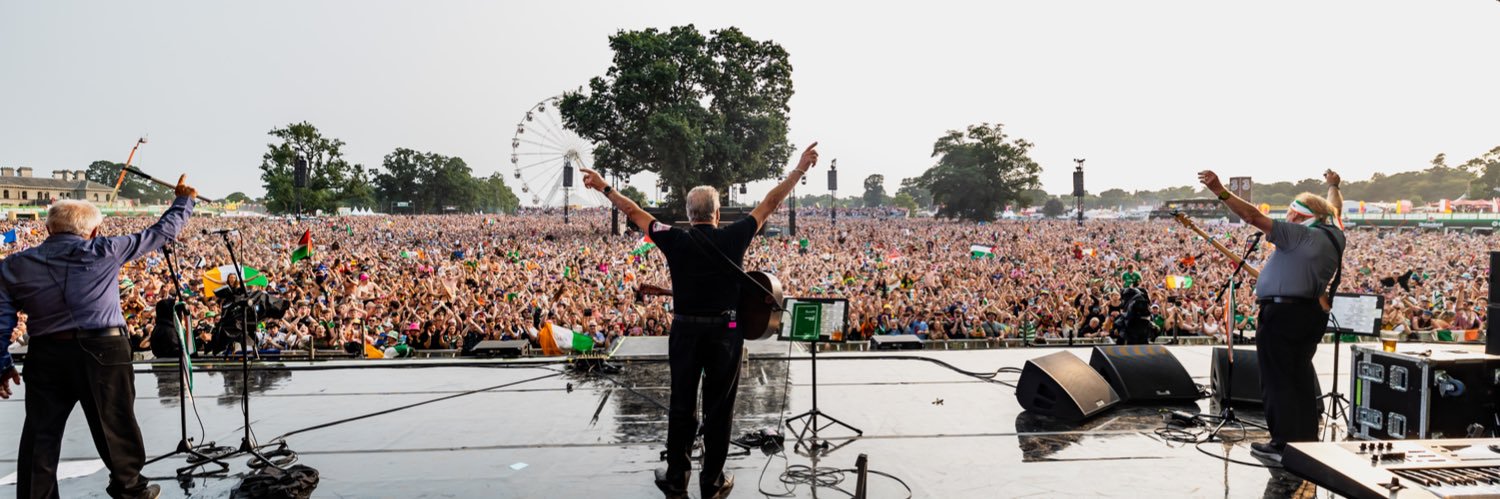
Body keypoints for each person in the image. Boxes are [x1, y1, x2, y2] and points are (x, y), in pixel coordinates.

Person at [581, 142, 819, 499]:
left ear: (689, 214)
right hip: (727, 331)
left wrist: (603, 185)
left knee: (681, 403)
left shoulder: (673, 239)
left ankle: (677, 478)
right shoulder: (735, 235)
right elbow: (770, 203)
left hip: (685, 331)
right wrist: (799, 168)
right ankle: (713, 481)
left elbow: (632, 211)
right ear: (717, 213)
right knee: (719, 408)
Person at [0, 175, 197, 499]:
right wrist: (184, 200)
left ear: (48, 229)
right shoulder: (105, 249)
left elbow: (1, 318)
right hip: (104, 350)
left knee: (40, 435)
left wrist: (2, 363)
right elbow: (161, 232)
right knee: (116, 425)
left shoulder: (16, 264)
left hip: (46, 354)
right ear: (93, 231)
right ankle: (130, 490)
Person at [1199, 168, 1344, 462]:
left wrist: (1219, 191)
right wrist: (1333, 186)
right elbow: (1335, 207)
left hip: (1282, 315)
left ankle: (1282, 445)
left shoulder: (1300, 235)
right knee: (1299, 378)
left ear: (1300, 216)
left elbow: (1252, 216)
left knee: (1278, 381)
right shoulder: (1336, 233)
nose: (1285, 219)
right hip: (1309, 314)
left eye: (1289, 214)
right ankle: (1305, 443)